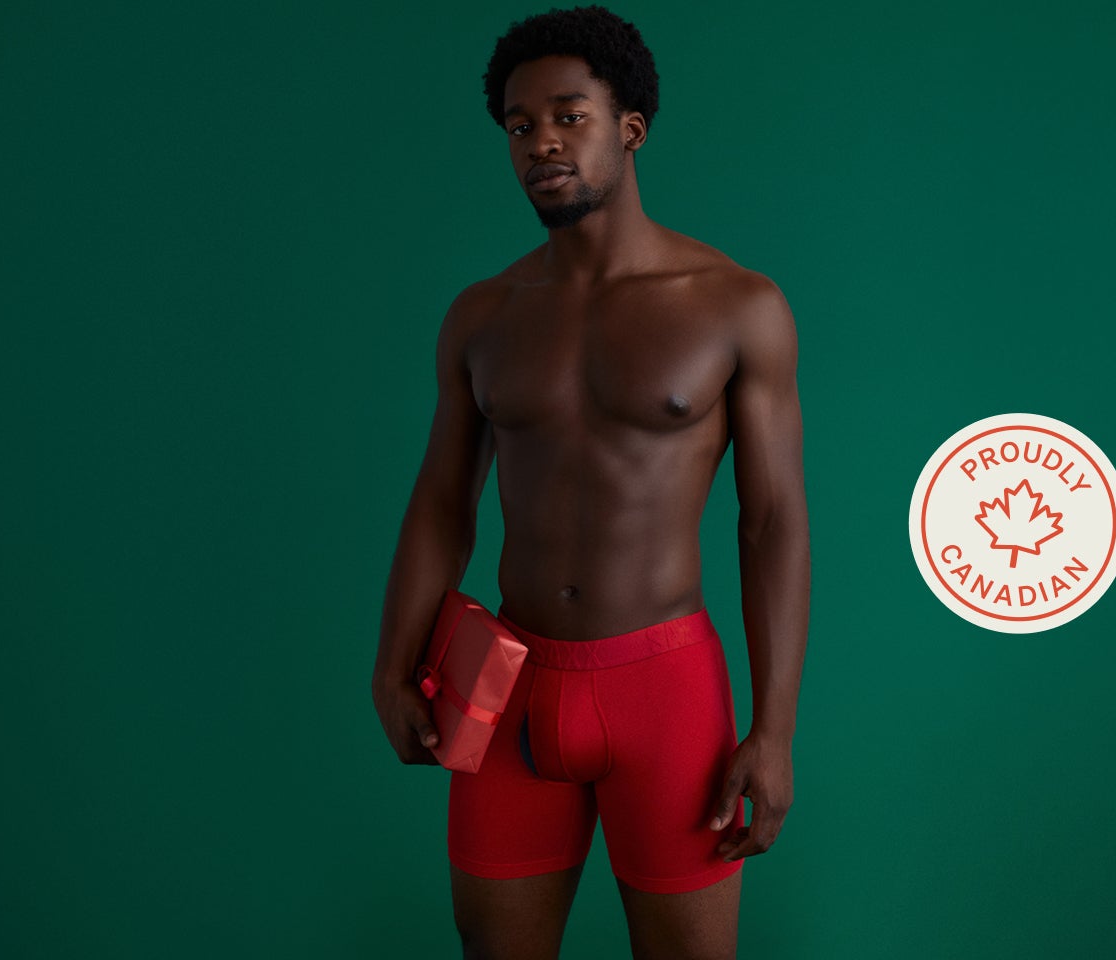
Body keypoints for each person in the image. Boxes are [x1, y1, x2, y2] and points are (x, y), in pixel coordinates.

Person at [368, 7, 809, 958]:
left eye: (569, 116)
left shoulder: (737, 305)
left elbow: (771, 523)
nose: (541, 143)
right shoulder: (483, 316)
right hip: (509, 688)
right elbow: (443, 502)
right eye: (520, 126)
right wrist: (392, 658)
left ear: (630, 129)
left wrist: (773, 733)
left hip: (666, 690)